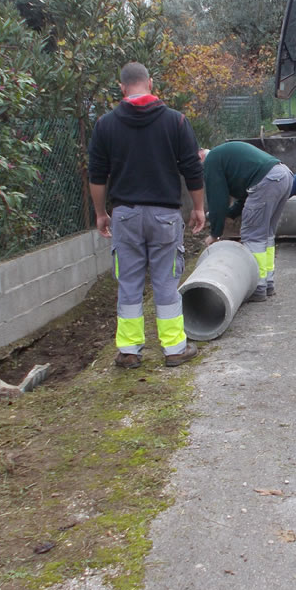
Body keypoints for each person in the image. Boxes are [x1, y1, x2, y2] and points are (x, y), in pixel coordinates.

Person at [88, 62, 206, 369]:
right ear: (150, 83)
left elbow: (97, 175)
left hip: (125, 216)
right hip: (165, 216)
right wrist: (197, 208)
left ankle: (129, 351)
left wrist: (101, 213)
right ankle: (174, 349)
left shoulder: (105, 125)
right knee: (166, 281)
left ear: (122, 87)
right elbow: (192, 169)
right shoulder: (175, 122)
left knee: (129, 282)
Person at [200, 141, 294, 301]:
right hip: (284, 175)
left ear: (200, 157)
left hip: (267, 181)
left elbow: (217, 200)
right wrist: (231, 213)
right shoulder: (225, 156)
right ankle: (268, 282)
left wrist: (215, 234)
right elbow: (245, 195)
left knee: (253, 236)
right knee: (266, 234)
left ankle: (257, 286)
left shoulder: (211, 160)